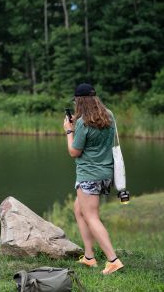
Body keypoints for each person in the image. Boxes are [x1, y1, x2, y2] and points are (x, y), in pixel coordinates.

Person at [63, 83, 124, 275]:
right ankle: (89, 257)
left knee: (91, 216)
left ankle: (113, 260)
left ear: (79, 101)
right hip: (106, 174)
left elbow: (74, 151)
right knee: (79, 209)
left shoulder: (81, 123)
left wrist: (68, 130)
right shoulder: (109, 115)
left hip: (89, 175)